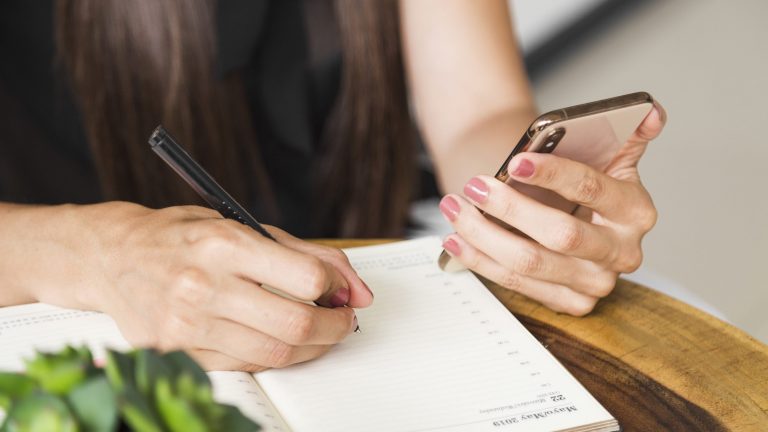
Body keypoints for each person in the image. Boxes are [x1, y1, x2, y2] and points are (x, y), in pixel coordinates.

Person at [0, 0, 665, 372]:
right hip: (49, 306)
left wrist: (530, 196)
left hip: (368, 292)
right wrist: (99, 252)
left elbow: (477, 108)